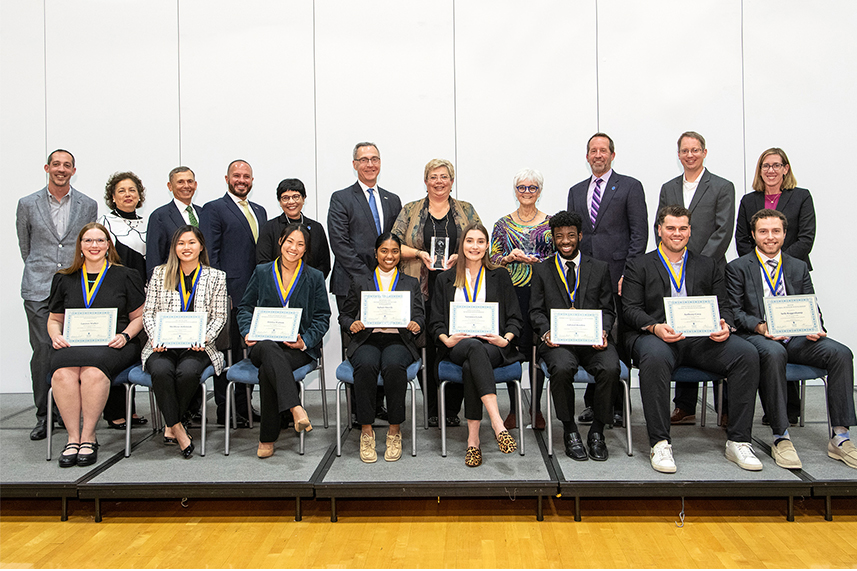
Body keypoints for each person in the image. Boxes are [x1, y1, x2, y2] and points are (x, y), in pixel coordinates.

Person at [623, 205, 762, 474]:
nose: (677, 233)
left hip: (701, 338)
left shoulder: (707, 264)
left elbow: (724, 305)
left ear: (690, 231)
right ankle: (660, 442)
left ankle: (739, 440)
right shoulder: (639, 264)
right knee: (654, 358)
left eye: (683, 228)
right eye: (671, 228)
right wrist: (655, 327)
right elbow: (630, 309)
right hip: (656, 337)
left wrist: (726, 325)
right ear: (660, 230)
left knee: (746, 353)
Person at [725, 209, 856, 470]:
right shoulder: (737, 267)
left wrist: (815, 325)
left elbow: (811, 302)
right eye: (763, 231)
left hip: (797, 336)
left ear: (785, 234)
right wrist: (761, 327)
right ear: (753, 235)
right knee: (774, 353)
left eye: (776, 231)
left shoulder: (798, 266)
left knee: (841, 353)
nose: (770, 237)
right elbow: (735, 312)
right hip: (759, 337)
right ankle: (781, 436)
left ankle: (840, 437)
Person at [46, 223, 145, 467]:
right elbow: (54, 319)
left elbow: (140, 317)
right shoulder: (64, 278)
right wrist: (55, 336)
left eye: (100, 241)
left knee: (92, 372)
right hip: (72, 343)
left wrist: (125, 336)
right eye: (88, 241)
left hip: (114, 343)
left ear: (108, 245)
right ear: (80, 246)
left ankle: (88, 436)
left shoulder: (125, 275)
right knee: (62, 374)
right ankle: (73, 438)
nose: (94, 246)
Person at [393, 158, 481, 428]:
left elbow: (479, 240)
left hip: (457, 289)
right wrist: (420, 253)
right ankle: (433, 408)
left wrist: (460, 255)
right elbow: (393, 245)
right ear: (426, 180)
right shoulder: (410, 209)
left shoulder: (466, 210)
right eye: (433, 176)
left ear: (452, 181)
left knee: (454, 343)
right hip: (419, 289)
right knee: (427, 348)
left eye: (444, 176)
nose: (439, 181)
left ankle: (452, 409)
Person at [567, 133, 647, 427]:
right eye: (593, 150)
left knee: (616, 337)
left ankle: (617, 406)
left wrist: (630, 272)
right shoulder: (576, 191)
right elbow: (572, 237)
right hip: (586, 278)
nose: (598, 155)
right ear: (587, 156)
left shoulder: (630, 186)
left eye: (603, 150)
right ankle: (593, 403)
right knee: (591, 336)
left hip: (618, 275)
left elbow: (639, 233)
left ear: (613, 155)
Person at [17, 149, 97, 440]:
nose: (61, 169)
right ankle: (44, 416)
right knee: (43, 351)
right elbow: (26, 247)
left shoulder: (87, 204)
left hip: (74, 288)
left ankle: (70, 415)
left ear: (74, 170)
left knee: (74, 352)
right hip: (38, 288)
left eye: (67, 165)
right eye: (56, 165)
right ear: (47, 168)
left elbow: (87, 242)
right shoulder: (27, 204)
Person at [658, 132, 736, 427]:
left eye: (695, 150)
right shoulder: (669, 187)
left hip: (710, 269)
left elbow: (723, 229)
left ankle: (726, 408)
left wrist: (699, 263)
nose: (690, 155)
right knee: (681, 330)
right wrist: (673, 257)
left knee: (715, 335)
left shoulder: (722, 186)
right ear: (678, 155)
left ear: (704, 152)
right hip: (673, 269)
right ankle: (685, 406)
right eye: (684, 151)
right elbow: (660, 225)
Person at [429, 222, 523, 467]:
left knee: (474, 361)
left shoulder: (500, 275)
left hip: (493, 344)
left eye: (481, 241)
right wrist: (446, 339)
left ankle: (473, 441)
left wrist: (506, 339)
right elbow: (436, 321)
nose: (475, 246)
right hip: (457, 345)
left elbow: (515, 317)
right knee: (472, 347)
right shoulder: (444, 278)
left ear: (487, 246)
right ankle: (496, 422)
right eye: (470, 241)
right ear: (461, 245)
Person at [529, 211, 619, 461]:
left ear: (580, 236)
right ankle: (569, 429)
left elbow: (608, 309)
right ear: (553, 238)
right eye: (559, 237)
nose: (565, 241)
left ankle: (597, 430)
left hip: (592, 340)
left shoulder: (599, 268)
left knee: (611, 368)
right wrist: (546, 332)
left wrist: (603, 330)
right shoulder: (542, 271)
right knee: (561, 368)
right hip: (558, 342)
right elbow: (535, 311)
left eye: (570, 235)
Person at [735, 147, 816, 424]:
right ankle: (775, 410)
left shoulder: (801, 196)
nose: (770, 170)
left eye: (776, 165)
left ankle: (789, 410)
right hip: (756, 277)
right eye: (765, 166)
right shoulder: (749, 200)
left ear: (786, 168)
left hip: (790, 274)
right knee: (770, 341)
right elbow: (742, 240)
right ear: (759, 170)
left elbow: (806, 236)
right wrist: (762, 262)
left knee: (791, 333)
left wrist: (779, 261)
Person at [238, 223, 330, 458]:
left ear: (306, 249)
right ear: (280, 242)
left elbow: (322, 317)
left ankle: (267, 438)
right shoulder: (262, 271)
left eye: (300, 244)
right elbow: (245, 307)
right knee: (268, 349)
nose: (294, 248)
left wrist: (305, 341)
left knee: (269, 369)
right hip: (262, 343)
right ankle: (295, 407)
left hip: (295, 348)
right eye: (290, 241)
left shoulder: (315, 277)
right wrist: (248, 330)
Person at [142, 226, 228, 458]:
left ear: (201, 246)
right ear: (174, 248)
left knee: (188, 372)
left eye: (191, 242)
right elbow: (148, 313)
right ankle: (178, 428)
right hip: (162, 344)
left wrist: (205, 336)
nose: (186, 248)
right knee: (161, 370)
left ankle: (171, 424)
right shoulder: (160, 274)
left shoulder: (216, 276)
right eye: (181, 243)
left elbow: (220, 316)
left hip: (199, 345)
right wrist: (155, 336)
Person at [338, 233, 425, 463]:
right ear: (376, 253)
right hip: (368, 338)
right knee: (366, 364)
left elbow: (419, 315)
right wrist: (351, 323)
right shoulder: (360, 281)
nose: (389, 256)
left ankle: (394, 431)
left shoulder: (410, 283)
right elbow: (344, 315)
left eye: (395, 251)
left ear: (400, 254)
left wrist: (417, 324)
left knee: (394, 365)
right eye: (384, 251)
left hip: (399, 339)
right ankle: (366, 431)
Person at [201, 159, 268, 426]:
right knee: (227, 353)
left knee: (248, 352)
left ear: (252, 180)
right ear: (227, 178)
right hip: (228, 294)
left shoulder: (260, 211)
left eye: (247, 176)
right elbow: (210, 254)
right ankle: (226, 410)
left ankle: (245, 407)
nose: (242, 180)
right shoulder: (214, 209)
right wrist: (219, 293)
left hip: (256, 295)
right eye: (237, 175)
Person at [490, 168, 554, 431]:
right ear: (515, 191)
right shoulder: (502, 224)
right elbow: (491, 259)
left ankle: (535, 408)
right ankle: (515, 409)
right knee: (512, 349)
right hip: (512, 293)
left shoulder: (551, 223)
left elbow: (562, 257)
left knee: (538, 350)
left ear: (539, 191)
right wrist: (508, 257)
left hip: (542, 294)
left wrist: (542, 261)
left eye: (532, 188)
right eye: (522, 187)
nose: (527, 192)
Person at [98, 171, 149, 430]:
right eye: (121, 191)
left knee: (139, 351)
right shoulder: (105, 223)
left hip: (146, 292)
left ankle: (132, 409)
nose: (128, 195)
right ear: (113, 197)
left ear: (139, 195)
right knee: (118, 347)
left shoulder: (148, 222)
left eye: (132, 190)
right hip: (118, 294)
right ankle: (116, 411)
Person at [328, 142, 402, 311]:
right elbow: (339, 244)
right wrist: (369, 277)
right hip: (351, 282)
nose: (370, 164)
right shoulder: (341, 198)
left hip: (388, 282)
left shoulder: (393, 200)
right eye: (364, 160)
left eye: (374, 159)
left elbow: (397, 241)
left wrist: (384, 273)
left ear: (380, 163)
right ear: (355, 164)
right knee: (353, 335)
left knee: (386, 336)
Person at [257, 178, 331, 278]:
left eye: (296, 197)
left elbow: (324, 265)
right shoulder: (269, 227)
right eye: (285, 198)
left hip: (309, 288)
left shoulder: (316, 228)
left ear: (304, 199)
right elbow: (263, 263)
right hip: (277, 288)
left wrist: (307, 283)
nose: (291, 202)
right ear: (279, 201)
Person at [145, 166, 205, 279]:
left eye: (190, 181)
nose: (186, 186)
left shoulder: (204, 213)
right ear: (170, 186)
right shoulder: (159, 216)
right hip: (174, 282)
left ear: (195, 185)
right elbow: (154, 256)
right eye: (180, 182)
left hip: (204, 280)